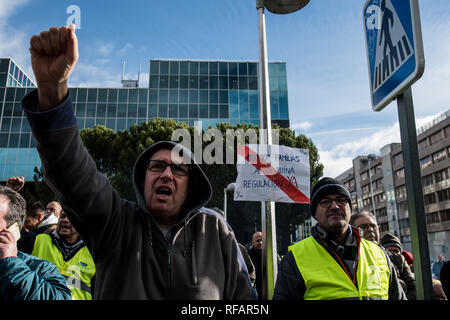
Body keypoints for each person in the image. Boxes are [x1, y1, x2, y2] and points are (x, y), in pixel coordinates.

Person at [22, 25, 253, 299]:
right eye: (157, 166)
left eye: (178, 169)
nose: (167, 173)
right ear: (143, 181)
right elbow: (72, 173)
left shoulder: (215, 230)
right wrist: (52, 90)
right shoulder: (115, 223)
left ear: (191, 185)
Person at [273, 177, 406, 300]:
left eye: (341, 200)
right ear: (314, 213)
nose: (335, 206)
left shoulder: (379, 253)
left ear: (349, 208)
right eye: (325, 202)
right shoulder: (295, 258)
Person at [0, 186, 72, 300]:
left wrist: (11, 265)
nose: (65, 221)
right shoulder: (39, 238)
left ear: (12, 230)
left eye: (52, 210)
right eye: (63, 216)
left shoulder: (42, 268)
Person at [350, 211, 416, 300]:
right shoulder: (348, 259)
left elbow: (413, 287)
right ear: (352, 230)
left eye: (373, 226)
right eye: (363, 227)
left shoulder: (394, 258)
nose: (370, 230)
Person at [31, 210, 95, 300]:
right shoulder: (38, 240)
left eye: (71, 217)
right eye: (63, 216)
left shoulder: (93, 255)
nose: (65, 220)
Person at [249, 231, 263, 300]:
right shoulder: (248, 256)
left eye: (262, 240)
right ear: (253, 243)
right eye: (258, 240)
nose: (260, 243)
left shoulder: (272, 255)